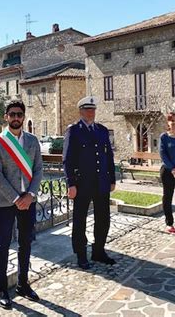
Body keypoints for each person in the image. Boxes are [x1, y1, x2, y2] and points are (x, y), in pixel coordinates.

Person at [0, 100, 43, 310]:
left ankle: (23, 284)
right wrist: (15, 198)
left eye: (19, 114)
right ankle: (3, 290)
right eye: (12, 114)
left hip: (28, 200)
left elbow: (38, 170)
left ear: (23, 116)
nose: (16, 117)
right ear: (6, 116)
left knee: (26, 243)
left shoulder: (33, 141)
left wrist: (30, 195)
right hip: (4, 202)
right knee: (3, 246)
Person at [63, 96, 116, 269]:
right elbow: (68, 160)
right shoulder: (74, 131)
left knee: (103, 218)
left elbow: (108, 156)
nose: (90, 113)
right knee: (80, 220)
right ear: (80, 111)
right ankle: (81, 254)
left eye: (93, 109)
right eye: (87, 109)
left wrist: (112, 179)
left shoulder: (101, 130)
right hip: (82, 184)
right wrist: (71, 184)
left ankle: (98, 251)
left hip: (101, 182)